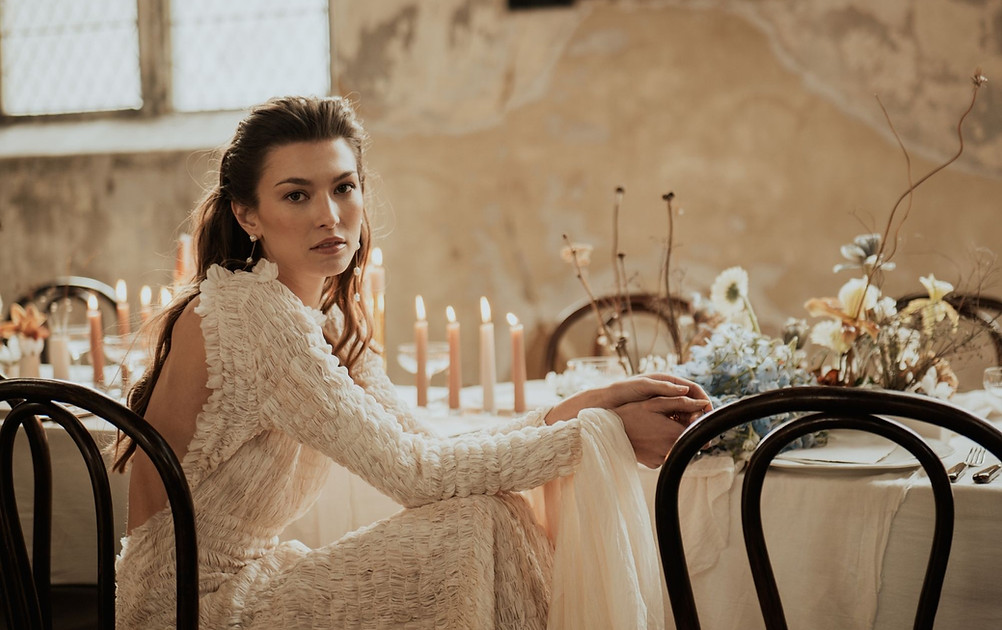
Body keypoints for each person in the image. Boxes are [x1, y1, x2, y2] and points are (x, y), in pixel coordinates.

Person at [112, 95, 711, 629]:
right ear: (247, 215)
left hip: (254, 582)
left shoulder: (330, 319)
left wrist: (579, 409)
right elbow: (417, 476)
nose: (329, 214)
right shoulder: (249, 314)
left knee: (485, 511)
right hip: (191, 611)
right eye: (297, 194)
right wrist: (589, 437)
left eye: (344, 187)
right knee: (471, 524)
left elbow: (427, 449)